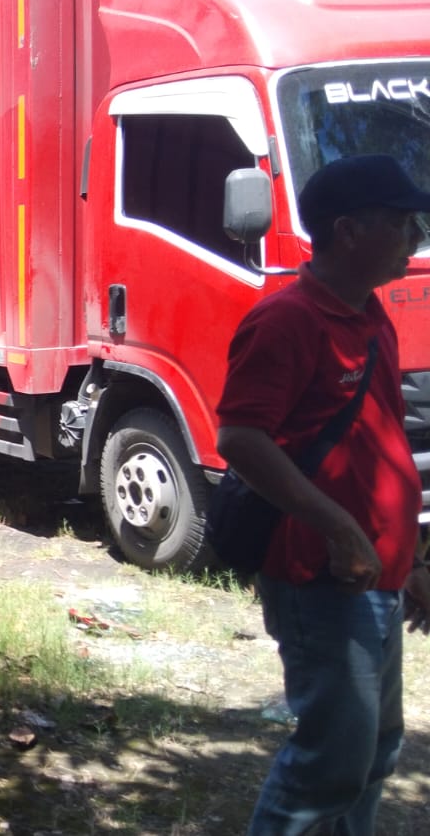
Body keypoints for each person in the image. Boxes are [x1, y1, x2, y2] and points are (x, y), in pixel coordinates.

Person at [216, 154, 430, 835]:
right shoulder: (287, 320)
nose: (416, 236)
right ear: (348, 231)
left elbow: (385, 446)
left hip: (377, 573)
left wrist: (414, 559)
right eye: (400, 223)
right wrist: (339, 529)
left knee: (372, 752)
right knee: (329, 763)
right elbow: (242, 440)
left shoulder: (369, 314)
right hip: (322, 576)